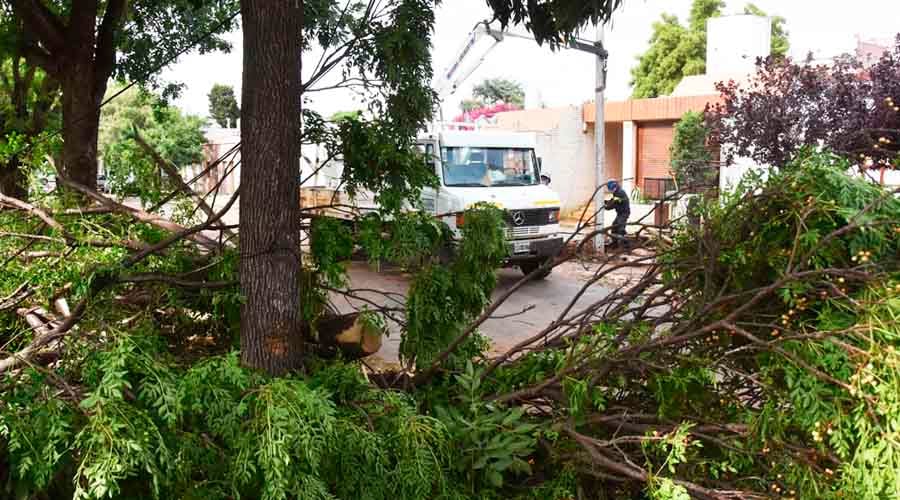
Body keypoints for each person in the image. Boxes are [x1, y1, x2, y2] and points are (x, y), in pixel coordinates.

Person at [603, 179, 630, 248]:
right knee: (614, 227)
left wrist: (606, 207)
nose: (609, 190)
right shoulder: (617, 191)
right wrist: (605, 202)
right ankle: (615, 244)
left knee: (621, 228)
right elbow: (613, 200)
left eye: (610, 188)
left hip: (624, 213)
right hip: (620, 213)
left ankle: (627, 245)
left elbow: (614, 204)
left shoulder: (620, 193)